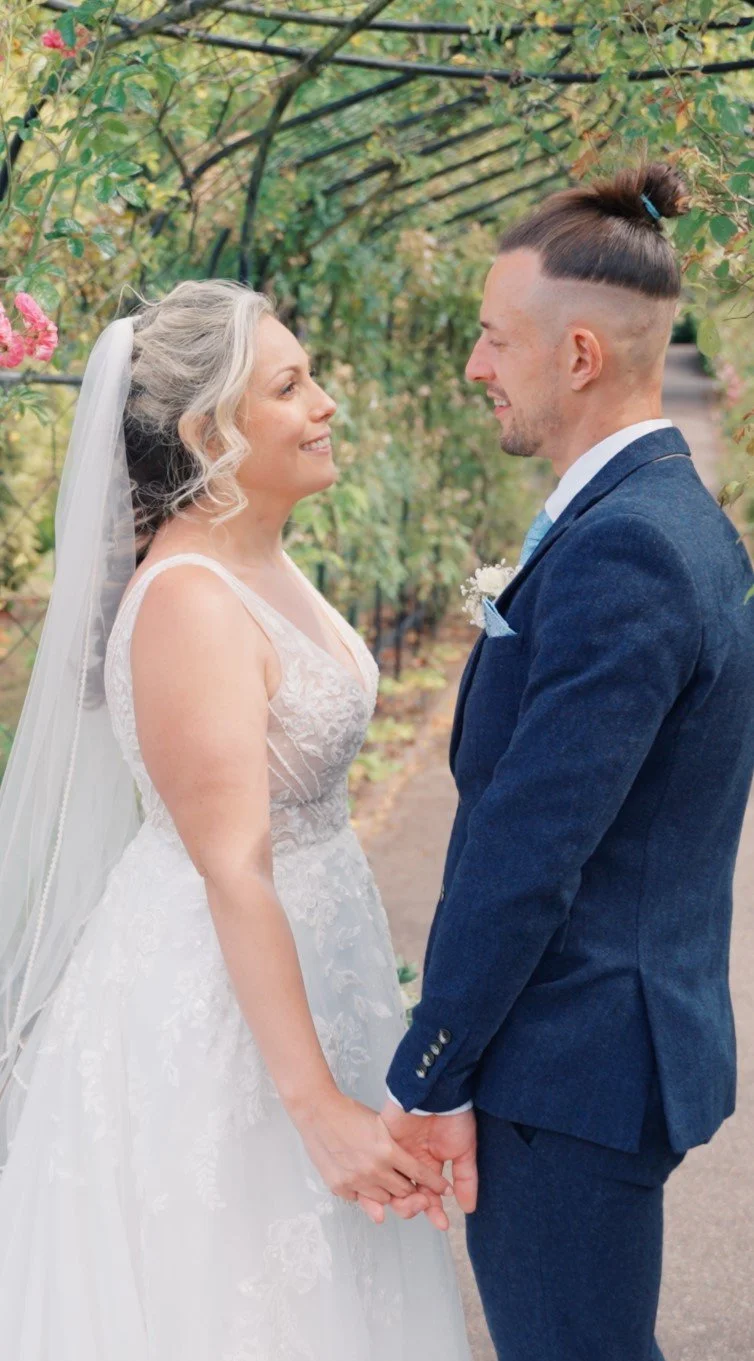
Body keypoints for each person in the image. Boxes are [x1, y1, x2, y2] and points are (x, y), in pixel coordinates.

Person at [0, 280, 471, 1359]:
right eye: (291, 385)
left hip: (319, 969)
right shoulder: (192, 603)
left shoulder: (259, 553)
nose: (325, 403)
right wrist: (314, 1105)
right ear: (209, 431)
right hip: (219, 1011)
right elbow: (235, 865)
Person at [383, 163, 754, 1359]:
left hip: (568, 1066)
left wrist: (433, 1068)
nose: (475, 366)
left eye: (494, 340)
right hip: (602, 1051)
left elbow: (529, 849)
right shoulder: (659, 515)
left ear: (579, 354)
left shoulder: (628, 551)